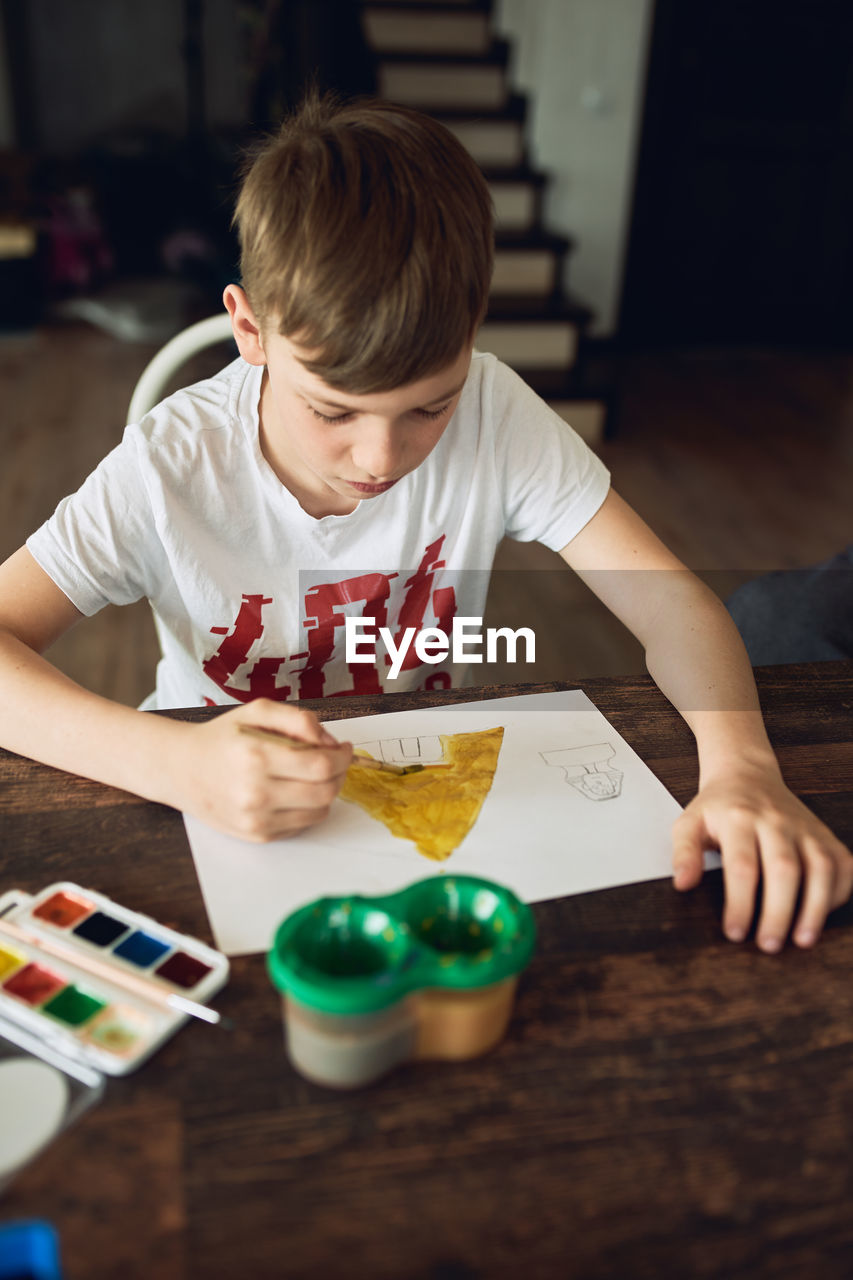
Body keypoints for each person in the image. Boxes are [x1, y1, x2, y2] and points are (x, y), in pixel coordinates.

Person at [0, 93, 849, 954]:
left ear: (472, 334)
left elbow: (670, 605)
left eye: (429, 408)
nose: (380, 457)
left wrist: (743, 770)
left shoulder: (497, 411)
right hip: (208, 802)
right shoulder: (168, 468)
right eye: (332, 412)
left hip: (418, 780)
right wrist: (172, 763)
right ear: (249, 329)